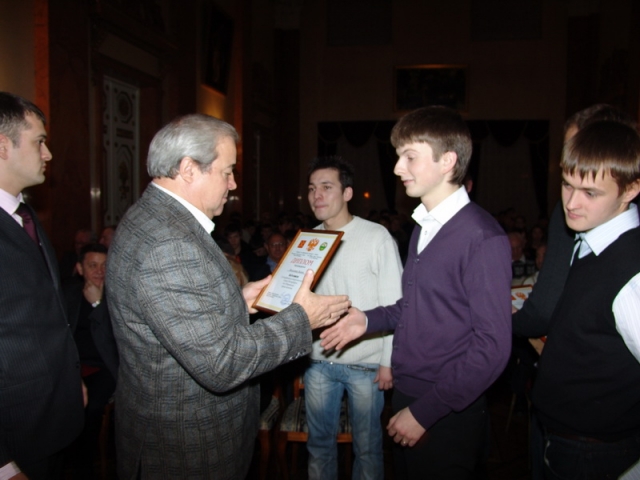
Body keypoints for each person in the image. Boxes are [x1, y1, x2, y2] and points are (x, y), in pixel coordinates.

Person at [105, 113, 350, 480]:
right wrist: (302, 318)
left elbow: (178, 318)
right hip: (187, 446)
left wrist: (238, 299)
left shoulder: (155, 218)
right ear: (189, 169)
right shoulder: (169, 242)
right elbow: (222, 364)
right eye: (227, 171)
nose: (233, 184)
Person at [321, 106, 512, 479]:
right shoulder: (425, 226)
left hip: (446, 404)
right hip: (410, 391)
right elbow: (414, 305)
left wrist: (426, 412)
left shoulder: (482, 236)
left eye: (409, 156)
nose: (397, 168)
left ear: (447, 161)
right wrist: (367, 320)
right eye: (398, 156)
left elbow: (492, 348)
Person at [526, 120, 640, 479]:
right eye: (566, 185)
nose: (571, 203)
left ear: (631, 189)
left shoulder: (631, 272)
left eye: (590, 193)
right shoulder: (591, 240)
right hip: (567, 439)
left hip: (595, 451)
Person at [0, 91, 85, 479]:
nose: (48, 154)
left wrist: (69, 379)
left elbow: (44, 312)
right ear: (3, 146)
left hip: (53, 415)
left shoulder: (25, 214)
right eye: (39, 142)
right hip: (15, 433)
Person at [305, 156, 403, 480]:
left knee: (368, 449)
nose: (317, 195)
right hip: (318, 360)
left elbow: (395, 305)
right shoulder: (309, 240)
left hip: (366, 363)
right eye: (312, 189)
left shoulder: (376, 236)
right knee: (319, 447)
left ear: (347, 193)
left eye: (326, 187)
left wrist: (388, 361)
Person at [64, 243, 119, 479]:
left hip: (106, 365)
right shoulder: (69, 294)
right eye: (93, 265)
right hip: (73, 366)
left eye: (105, 265)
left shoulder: (117, 295)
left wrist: (98, 304)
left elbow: (116, 342)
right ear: (80, 268)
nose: (100, 271)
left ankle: (85, 468)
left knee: (90, 407)